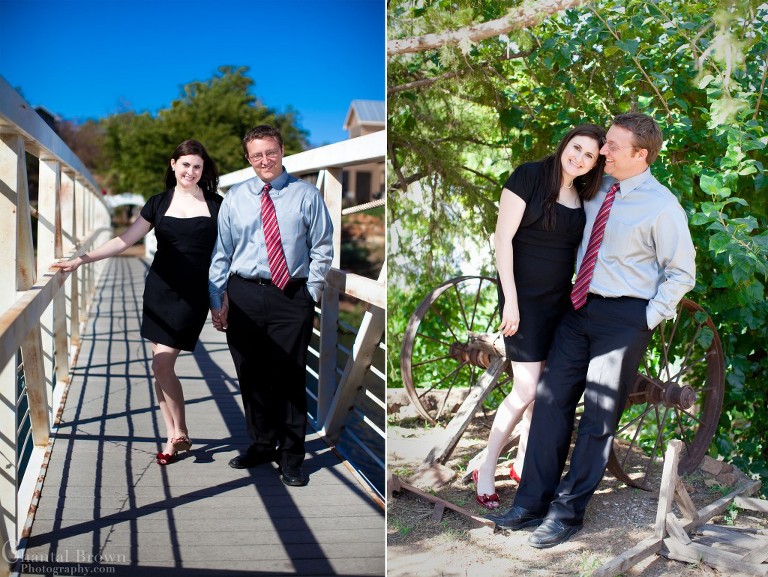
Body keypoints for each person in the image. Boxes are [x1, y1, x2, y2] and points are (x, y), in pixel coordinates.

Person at [486, 112, 697, 547]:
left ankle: (566, 515)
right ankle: (530, 503)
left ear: (641, 155)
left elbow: (682, 273)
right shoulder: (596, 186)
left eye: (613, 146)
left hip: (625, 319)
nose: (603, 151)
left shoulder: (662, 206)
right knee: (549, 401)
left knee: (598, 417)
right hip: (578, 309)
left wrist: (646, 317)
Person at [52, 139, 222, 466]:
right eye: (185, 164)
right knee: (161, 367)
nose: (191, 171)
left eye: (197, 166)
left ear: (203, 170)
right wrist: (80, 260)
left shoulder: (217, 204)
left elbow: (228, 250)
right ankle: (173, 438)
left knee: (162, 365)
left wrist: (221, 295)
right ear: (173, 164)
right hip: (159, 291)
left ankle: (180, 429)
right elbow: (124, 240)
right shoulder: (157, 203)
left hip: (193, 295)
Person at [471, 125, 606, 509]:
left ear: (595, 164)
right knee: (526, 389)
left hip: (559, 302)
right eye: (576, 147)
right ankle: (486, 465)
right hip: (523, 300)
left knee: (544, 390)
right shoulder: (528, 176)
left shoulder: (583, 195)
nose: (579, 158)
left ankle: (521, 463)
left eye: (589, 156)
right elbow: (502, 239)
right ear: (564, 143)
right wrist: (509, 301)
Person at [209, 124, 333, 487]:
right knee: (251, 374)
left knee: (290, 377)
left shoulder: (307, 195)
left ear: (282, 151)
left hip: (291, 296)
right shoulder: (235, 197)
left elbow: (322, 246)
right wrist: (217, 298)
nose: (265, 160)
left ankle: (292, 457)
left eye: (271, 152)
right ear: (248, 159)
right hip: (244, 293)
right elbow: (222, 250)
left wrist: (310, 291)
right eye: (257, 155)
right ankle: (262, 444)